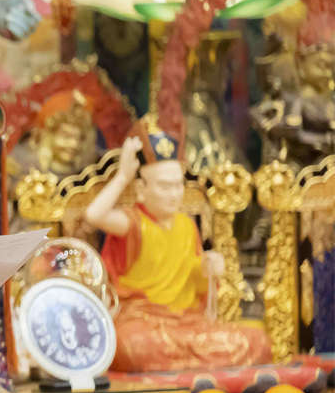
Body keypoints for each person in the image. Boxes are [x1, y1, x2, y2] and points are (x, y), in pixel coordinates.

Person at [84, 119, 272, 372]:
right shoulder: (133, 223)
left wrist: (207, 269)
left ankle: (182, 361)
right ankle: (195, 360)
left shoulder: (186, 226)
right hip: (143, 322)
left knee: (258, 341)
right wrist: (123, 176)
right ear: (141, 189)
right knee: (131, 345)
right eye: (164, 186)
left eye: (178, 185)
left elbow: (194, 283)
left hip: (186, 323)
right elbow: (94, 215)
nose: (174, 194)